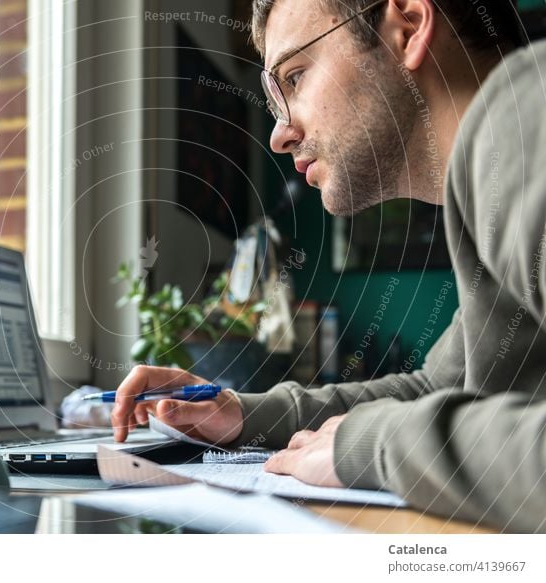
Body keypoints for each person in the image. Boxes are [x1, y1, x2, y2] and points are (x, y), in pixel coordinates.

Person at [112, 0, 546, 533]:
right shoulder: (497, 169)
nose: (279, 135)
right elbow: (441, 392)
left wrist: (370, 447)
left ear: (407, 27)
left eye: (295, 77)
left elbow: (416, 422)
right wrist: (241, 415)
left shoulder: (525, 115)